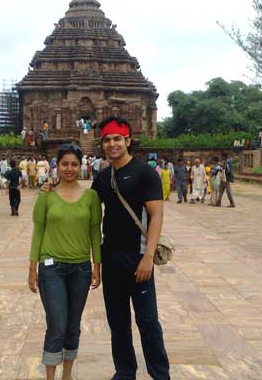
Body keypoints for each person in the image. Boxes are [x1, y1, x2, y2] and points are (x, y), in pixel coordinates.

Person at [90, 116, 170, 380]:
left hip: (138, 257)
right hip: (111, 255)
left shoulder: (145, 173)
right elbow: (87, 211)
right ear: (102, 143)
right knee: (118, 321)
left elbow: (156, 216)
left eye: (117, 139)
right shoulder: (102, 178)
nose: (112, 144)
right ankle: (125, 372)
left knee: (147, 321)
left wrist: (148, 256)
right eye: (107, 140)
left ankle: (160, 374)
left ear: (128, 140)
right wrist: (53, 191)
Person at [28, 144, 102, 380]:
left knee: (73, 324)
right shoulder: (46, 195)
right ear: (56, 166)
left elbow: (94, 233)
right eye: (64, 164)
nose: (69, 169)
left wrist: (96, 265)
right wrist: (32, 268)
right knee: (57, 323)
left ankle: (67, 375)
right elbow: (38, 231)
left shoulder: (91, 197)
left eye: (74, 164)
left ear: (81, 166)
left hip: (80, 267)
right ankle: (50, 376)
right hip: (51, 268)